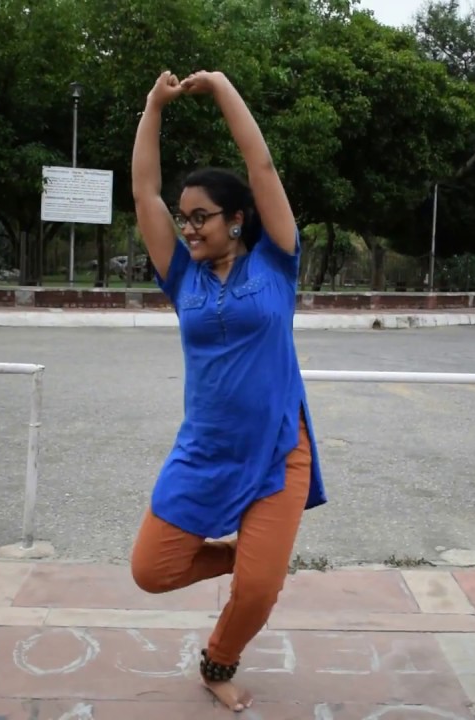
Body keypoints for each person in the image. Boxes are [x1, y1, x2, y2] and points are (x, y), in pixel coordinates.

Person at [127, 69, 327, 712]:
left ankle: (218, 661)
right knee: (151, 571)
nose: (188, 228)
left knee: (260, 590)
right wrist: (154, 107)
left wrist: (221, 88)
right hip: (204, 450)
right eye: (183, 219)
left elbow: (260, 165)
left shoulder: (276, 262)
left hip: (278, 447)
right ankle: (249, 554)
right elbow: (143, 190)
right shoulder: (181, 277)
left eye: (201, 218)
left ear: (237, 220)